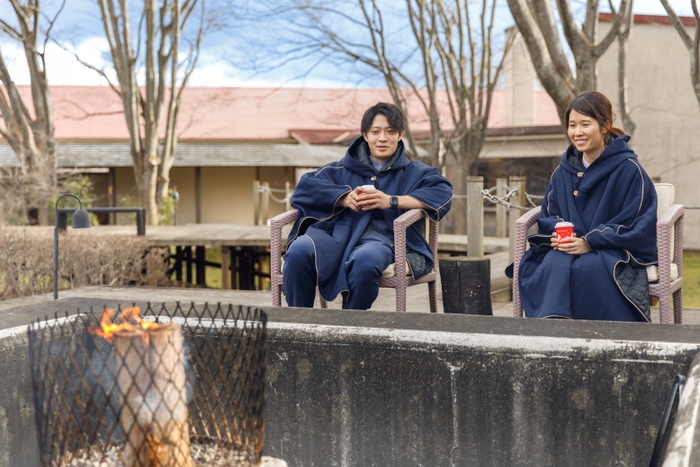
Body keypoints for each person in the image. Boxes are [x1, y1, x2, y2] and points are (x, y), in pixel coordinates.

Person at [283, 102, 453, 310]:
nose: (383, 138)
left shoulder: (416, 172)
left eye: (390, 132)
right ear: (365, 135)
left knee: (366, 260)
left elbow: (442, 192)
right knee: (299, 250)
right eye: (375, 132)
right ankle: (300, 324)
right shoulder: (338, 169)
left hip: (382, 241)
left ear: (400, 134)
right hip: (335, 236)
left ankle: (351, 326)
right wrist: (343, 198)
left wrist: (391, 200)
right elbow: (304, 188)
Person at [517, 91, 657, 322]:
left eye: (585, 124)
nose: (577, 132)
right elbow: (549, 214)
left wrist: (590, 242)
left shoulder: (630, 170)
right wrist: (557, 234)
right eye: (572, 125)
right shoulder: (562, 172)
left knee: (589, 268)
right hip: (570, 246)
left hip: (612, 248)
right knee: (553, 261)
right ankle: (552, 328)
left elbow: (637, 223)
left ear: (605, 125)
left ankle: (602, 337)